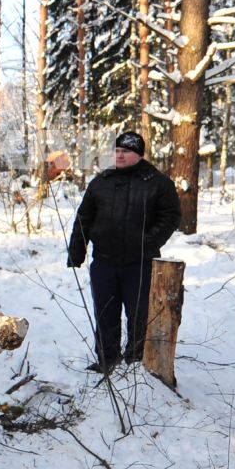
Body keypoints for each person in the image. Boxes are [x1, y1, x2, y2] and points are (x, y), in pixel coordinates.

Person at [66, 131, 180, 374]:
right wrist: (76, 250)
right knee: (105, 313)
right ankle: (108, 360)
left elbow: (171, 217)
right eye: (117, 150)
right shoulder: (102, 182)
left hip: (139, 263)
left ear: (138, 154)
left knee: (139, 314)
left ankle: (136, 362)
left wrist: (147, 242)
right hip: (104, 262)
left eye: (125, 151)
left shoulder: (158, 183)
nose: (119, 155)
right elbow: (84, 218)